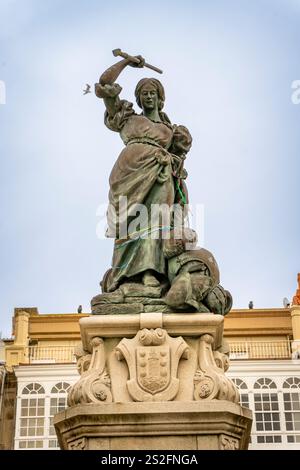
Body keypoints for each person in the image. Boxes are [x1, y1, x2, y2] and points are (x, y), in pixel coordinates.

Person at [95, 56, 192, 293]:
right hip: (128, 173)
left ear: (160, 98)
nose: (148, 97)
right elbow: (105, 85)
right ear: (138, 98)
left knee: (157, 219)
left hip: (160, 172)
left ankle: (151, 272)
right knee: (128, 223)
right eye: (144, 93)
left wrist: (175, 166)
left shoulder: (171, 130)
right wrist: (126, 63)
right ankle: (122, 275)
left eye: (152, 93)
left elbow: (180, 161)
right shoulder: (127, 117)